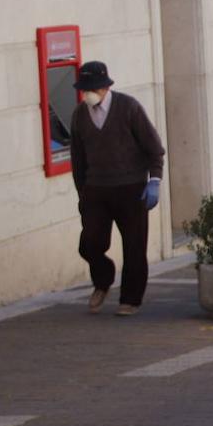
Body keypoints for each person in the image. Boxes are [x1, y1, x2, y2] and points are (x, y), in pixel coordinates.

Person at [70, 61, 166, 317]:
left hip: (131, 188)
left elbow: (154, 148)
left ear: (105, 87)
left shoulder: (128, 108)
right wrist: (82, 193)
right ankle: (103, 280)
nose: (87, 94)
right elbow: (77, 159)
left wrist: (154, 180)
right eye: (84, 90)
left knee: (134, 246)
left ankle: (130, 299)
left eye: (92, 89)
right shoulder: (79, 115)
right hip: (96, 190)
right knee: (89, 244)